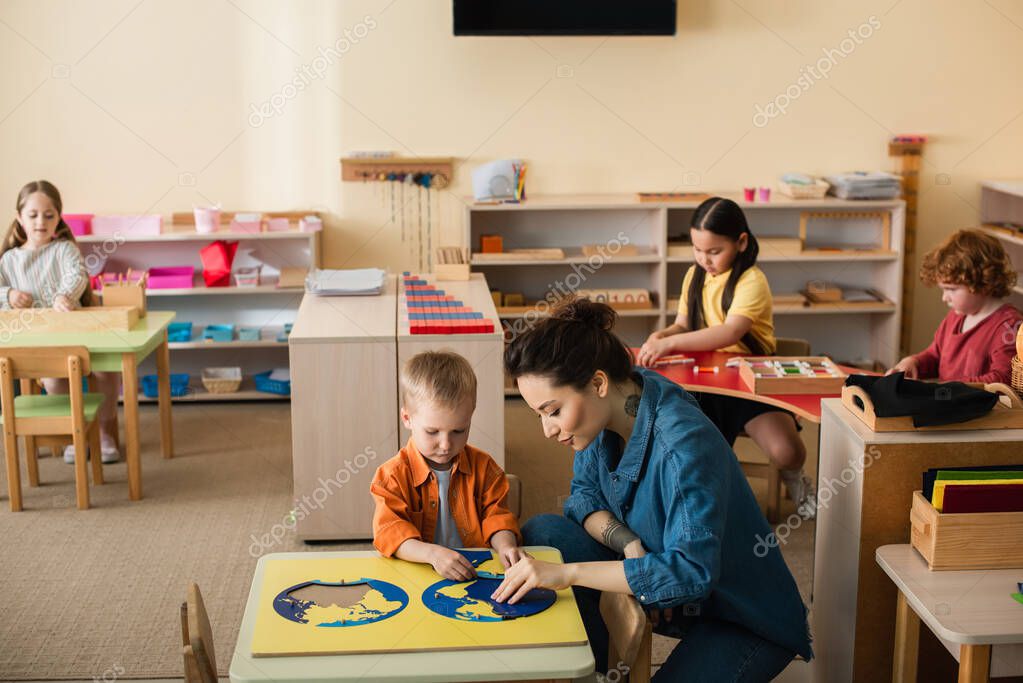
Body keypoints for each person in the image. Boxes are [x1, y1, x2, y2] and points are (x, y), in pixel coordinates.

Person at [494, 297, 811, 681]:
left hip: (740, 614)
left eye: (554, 411)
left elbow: (690, 573)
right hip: (668, 578)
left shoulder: (684, 446)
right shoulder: (613, 401)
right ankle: (612, 667)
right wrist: (629, 545)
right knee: (545, 532)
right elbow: (583, 499)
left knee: (560, 566)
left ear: (597, 383)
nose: (547, 430)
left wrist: (570, 573)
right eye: (539, 415)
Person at [637, 196, 816, 519]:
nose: (704, 259)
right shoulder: (694, 275)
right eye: (697, 249)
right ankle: (695, 495)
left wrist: (671, 343)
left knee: (787, 451)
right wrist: (661, 336)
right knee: (688, 448)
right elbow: (683, 325)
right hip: (705, 381)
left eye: (714, 251)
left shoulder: (752, 280)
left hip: (751, 382)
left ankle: (795, 478)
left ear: (741, 242)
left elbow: (731, 332)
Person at [371, 350, 525, 581]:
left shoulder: (485, 468)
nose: (445, 445)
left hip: (475, 572)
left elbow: (497, 516)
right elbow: (389, 532)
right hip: (419, 571)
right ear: (407, 419)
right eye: (432, 431)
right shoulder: (391, 476)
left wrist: (506, 546)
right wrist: (432, 554)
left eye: (458, 430)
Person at [0, 180, 121, 463]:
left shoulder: (64, 249)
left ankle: (104, 432)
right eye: (33, 215)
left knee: (105, 372)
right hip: (40, 345)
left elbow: (76, 275)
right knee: (55, 380)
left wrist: (64, 296)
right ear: (19, 218)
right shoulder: (9, 261)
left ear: (58, 218)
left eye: (48, 215)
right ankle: (74, 435)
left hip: (77, 336)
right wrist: (9, 295)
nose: (40, 222)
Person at [889, 228, 1021, 383]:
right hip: (948, 397)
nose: (944, 298)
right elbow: (936, 355)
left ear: (983, 282)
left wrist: (954, 388)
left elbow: (1003, 379)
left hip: (975, 400)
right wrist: (914, 362)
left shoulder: (1009, 326)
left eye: (951, 289)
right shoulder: (956, 315)